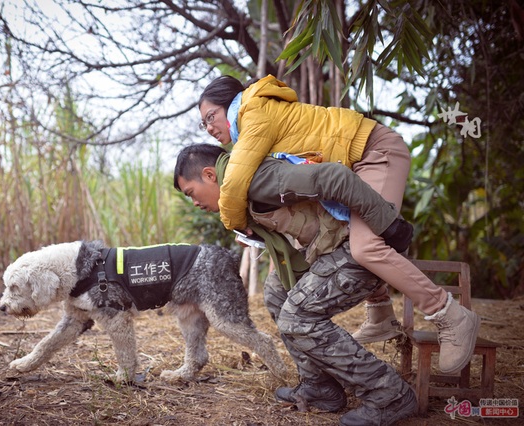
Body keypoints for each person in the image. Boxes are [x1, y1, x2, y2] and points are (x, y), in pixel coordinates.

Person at [196, 74, 480, 374]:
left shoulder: (254, 112)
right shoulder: (251, 120)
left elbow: (236, 180)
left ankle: (449, 315)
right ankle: (381, 314)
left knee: (366, 247)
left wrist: (234, 222)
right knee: (345, 236)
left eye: (211, 116)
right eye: (204, 124)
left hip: (375, 152)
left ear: (231, 103)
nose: (209, 128)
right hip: (357, 161)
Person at [173, 143, 418, 425]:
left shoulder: (257, 179)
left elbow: (333, 176)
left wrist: (390, 225)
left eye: (191, 193)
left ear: (209, 175)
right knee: (277, 292)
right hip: (331, 247)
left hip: (361, 244)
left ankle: (389, 394)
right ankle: (320, 387)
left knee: (297, 316)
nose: (194, 202)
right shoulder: (238, 192)